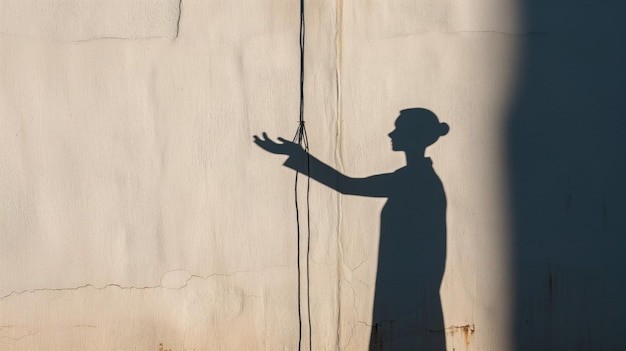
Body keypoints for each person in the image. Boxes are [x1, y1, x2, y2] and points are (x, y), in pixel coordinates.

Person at [254, 108, 449, 350]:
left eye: (398, 128)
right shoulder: (416, 177)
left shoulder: (413, 179)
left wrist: (298, 156)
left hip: (408, 296)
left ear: (413, 135)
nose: (391, 133)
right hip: (408, 292)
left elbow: (346, 185)